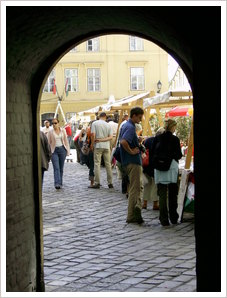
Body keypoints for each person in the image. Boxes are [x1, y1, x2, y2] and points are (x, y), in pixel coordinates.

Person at [151, 119, 182, 226]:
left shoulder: (157, 138)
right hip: (172, 167)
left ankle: (163, 219)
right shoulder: (175, 139)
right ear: (173, 127)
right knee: (173, 194)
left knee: (162, 193)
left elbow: (152, 153)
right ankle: (173, 217)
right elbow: (179, 155)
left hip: (159, 167)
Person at [120, 106, 144, 224]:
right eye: (140, 117)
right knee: (135, 189)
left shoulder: (125, 125)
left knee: (135, 188)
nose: (141, 119)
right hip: (133, 161)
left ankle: (134, 213)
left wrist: (136, 139)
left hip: (128, 161)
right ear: (134, 115)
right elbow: (123, 141)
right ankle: (131, 215)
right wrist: (131, 151)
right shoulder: (130, 127)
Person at [142, 127, 165, 210]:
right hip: (155, 166)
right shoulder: (161, 142)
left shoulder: (148, 140)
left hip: (146, 165)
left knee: (147, 185)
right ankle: (155, 204)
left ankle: (144, 203)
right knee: (155, 185)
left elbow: (143, 151)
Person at [89, 112, 113, 189]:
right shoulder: (108, 125)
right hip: (106, 146)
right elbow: (110, 137)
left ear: (99, 116)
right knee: (108, 164)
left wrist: (92, 144)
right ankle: (110, 183)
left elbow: (93, 135)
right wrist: (103, 140)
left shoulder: (95, 123)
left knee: (97, 164)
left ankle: (97, 182)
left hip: (98, 145)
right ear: (105, 117)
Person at [47, 118, 70, 189]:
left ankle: (60, 182)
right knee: (56, 167)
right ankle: (57, 183)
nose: (54, 125)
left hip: (62, 150)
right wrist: (48, 152)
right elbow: (48, 143)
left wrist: (67, 151)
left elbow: (66, 141)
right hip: (54, 151)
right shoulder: (50, 132)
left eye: (55, 123)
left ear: (58, 123)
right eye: (52, 123)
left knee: (61, 168)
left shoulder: (63, 130)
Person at [79, 122, 95, 187]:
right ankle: (93, 182)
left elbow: (80, 139)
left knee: (91, 167)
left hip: (87, 151)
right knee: (92, 166)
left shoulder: (87, 130)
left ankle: (93, 182)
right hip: (91, 150)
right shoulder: (89, 131)